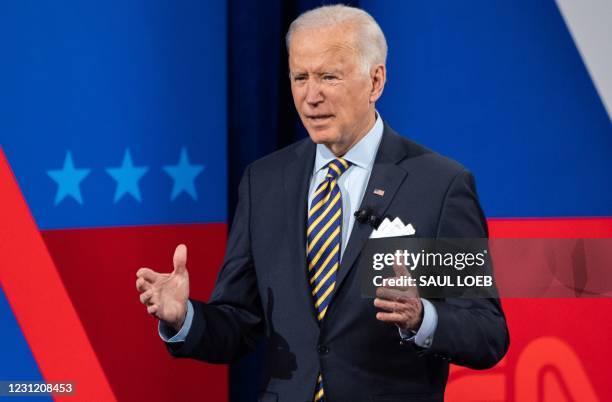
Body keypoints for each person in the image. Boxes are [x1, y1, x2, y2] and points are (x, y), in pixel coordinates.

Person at [136, 5, 508, 402]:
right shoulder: (264, 182)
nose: (310, 96)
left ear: (375, 81)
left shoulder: (436, 185)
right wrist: (184, 317)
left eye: (329, 76)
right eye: (300, 77)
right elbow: (240, 322)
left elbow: (486, 332)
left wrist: (421, 317)